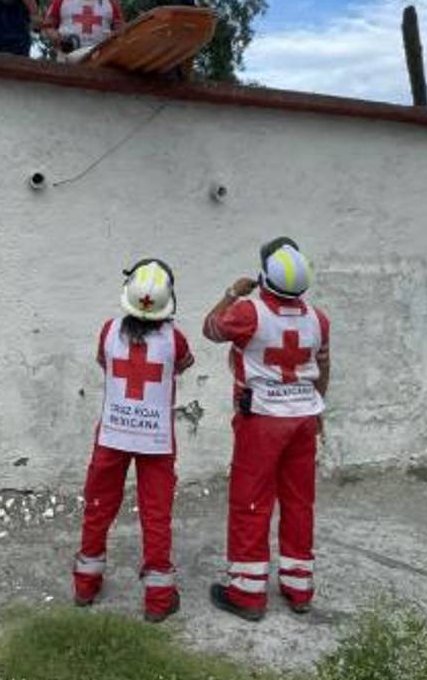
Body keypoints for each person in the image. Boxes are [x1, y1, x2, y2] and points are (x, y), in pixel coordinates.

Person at [203, 238, 330, 621]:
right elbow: (323, 368)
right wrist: (319, 407)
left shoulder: (248, 313)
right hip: (304, 419)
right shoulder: (317, 318)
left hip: (261, 419)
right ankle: (298, 585)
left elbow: (211, 329)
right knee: (298, 501)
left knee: (251, 500)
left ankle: (247, 592)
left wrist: (230, 294)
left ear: (264, 278)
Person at [72, 259, 195, 622]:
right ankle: (158, 600)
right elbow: (183, 364)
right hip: (156, 440)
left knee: (98, 507)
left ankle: (85, 585)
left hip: (111, 434)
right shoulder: (176, 339)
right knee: (156, 514)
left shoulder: (109, 331)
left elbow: (104, 363)